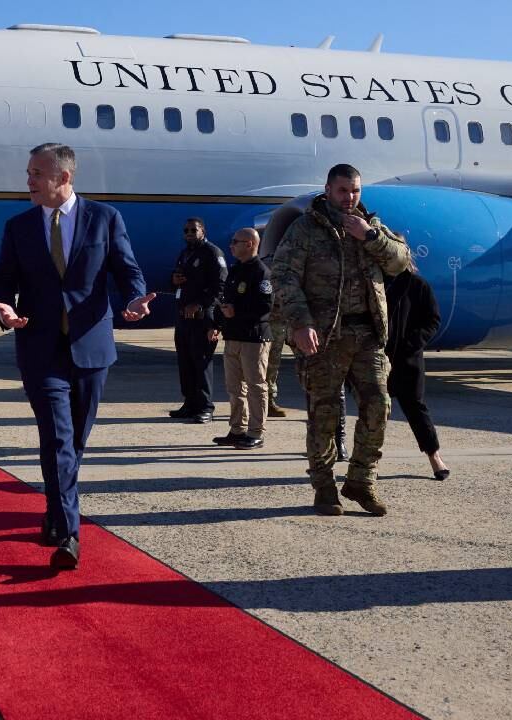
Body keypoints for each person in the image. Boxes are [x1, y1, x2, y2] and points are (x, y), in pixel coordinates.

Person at [0, 143, 154, 570]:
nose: (28, 181)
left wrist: (135, 300)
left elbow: (127, 269)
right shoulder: (18, 226)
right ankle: (68, 533)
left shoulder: (105, 218)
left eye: (36, 174)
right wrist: (4, 308)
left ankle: (53, 511)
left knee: (75, 442)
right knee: (58, 439)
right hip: (40, 347)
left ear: (64, 178)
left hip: (91, 347)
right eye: (28, 172)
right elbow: (3, 281)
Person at [271, 163, 411, 517]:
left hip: (367, 334)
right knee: (324, 413)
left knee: (379, 404)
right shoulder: (305, 229)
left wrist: (370, 236)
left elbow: (401, 262)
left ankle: (361, 480)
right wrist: (300, 324)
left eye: (355, 191)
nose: (350, 198)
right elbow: (284, 277)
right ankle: (324, 486)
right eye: (343, 191)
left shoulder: (370, 226)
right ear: (328, 189)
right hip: (324, 336)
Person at [384, 262, 449, 480]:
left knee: (416, 408)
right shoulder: (375, 282)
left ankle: (435, 456)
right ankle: (366, 461)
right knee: (373, 410)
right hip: (377, 358)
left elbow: (432, 320)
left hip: (407, 359)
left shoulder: (417, 285)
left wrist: (412, 344)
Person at [213, 228, 272, 450]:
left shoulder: (261, 272)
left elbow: (266, 308)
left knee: (256, 386)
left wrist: (236, 312)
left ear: (249, 244)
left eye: (235, 242)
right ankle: (237, 429)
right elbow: (227, 298)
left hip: (253, 338)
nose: (231, 245)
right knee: (234, 386)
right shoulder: (236, 270)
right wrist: (219, 323)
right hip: (234, 336)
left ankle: (256, 432)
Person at [168, 217, 226, 423]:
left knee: (201, 362)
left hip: (203, 318)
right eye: (186, 230)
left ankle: (205, 407)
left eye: (194, 230)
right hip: (184, 317)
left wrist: (200, 304)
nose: (190, 233)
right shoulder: (185, 253)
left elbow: (220, 286)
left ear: (203, 231)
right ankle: (190, 403)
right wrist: (174, 281)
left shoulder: (212, 253)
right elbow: (178, 282)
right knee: (185, 361)